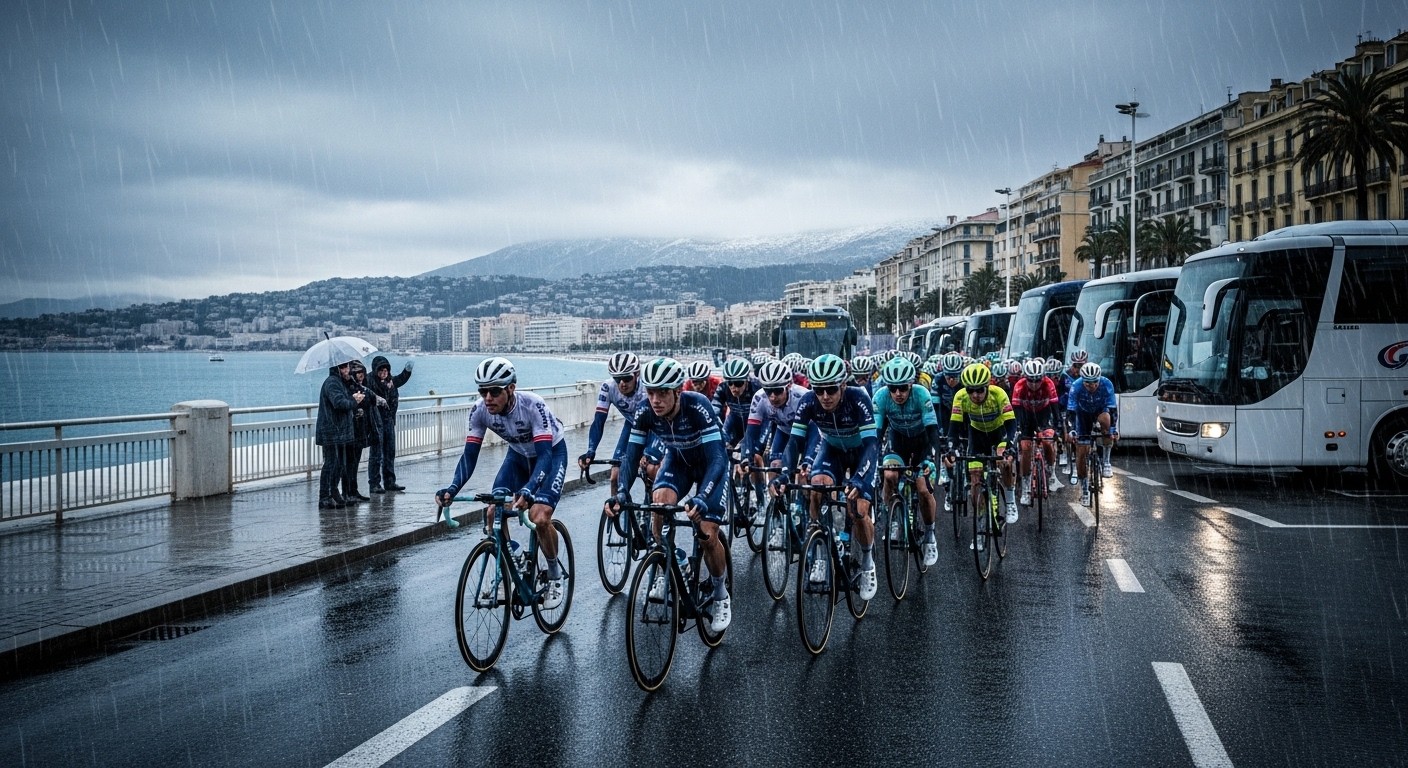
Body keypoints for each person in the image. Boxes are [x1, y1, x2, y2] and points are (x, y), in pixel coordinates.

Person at [608, 358, 732, 633]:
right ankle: (674, 560)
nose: (655, 400)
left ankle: (721, 593)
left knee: (707, 532)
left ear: (677, 391)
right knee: (659, 504)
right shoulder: (645, 411)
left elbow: (717, 460)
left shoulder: (697, 406)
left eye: (662, 393)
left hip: (711, 466)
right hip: (678, 461)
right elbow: (631, 456)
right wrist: (621, 494)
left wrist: (703, 497)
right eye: (651, 392)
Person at [436, 357, 569, 610]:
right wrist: (452, 489)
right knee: (493, 511)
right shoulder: (479, 411)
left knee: (539, 516)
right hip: (517, 456)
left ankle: (554, 575)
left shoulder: (532, 406)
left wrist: (530, 489)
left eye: (494, 391)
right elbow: (469, 456)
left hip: (550, 454)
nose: (488, 398)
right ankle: (513, 559)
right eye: (482, 391)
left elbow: (544, 456)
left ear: (511, 388)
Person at [776, 354, 880, 601]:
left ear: (843, 385)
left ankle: (867, 562)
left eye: (831, 389)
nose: (824, 396)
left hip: (861, 453)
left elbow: (871, 445)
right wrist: (783, 474)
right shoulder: (809, 402)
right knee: (816, 487)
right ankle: (820, 551)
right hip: (832, 449)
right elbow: (795, 441)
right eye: (819, 389)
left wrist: (860, 480)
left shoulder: (858, 397)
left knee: (858, 510)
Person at [871, 357, 943, 567]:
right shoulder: (881, 397)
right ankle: (892, 518)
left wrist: (932, 460)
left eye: (902, 388)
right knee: (890, 475)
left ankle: (930, 535)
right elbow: (877, 434)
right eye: (893, 388)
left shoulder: (922, 394)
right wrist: (873, 462)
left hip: (922, 443)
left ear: (911, 384)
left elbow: (932, 431)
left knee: (922, 489)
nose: (898, 393)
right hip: (898, 442)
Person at [947, 363, 1018, 533]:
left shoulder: (998, 394)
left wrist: (1010, 446)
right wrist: (951, 448)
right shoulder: (960, 397)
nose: (975, 395)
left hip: (999, 433)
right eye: (971, 390)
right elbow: (954, 427)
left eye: (980, 390)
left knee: (1004, 461)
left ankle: (1010, 500)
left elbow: (1011, 424)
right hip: (977, 436)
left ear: (987, 386)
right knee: (975, 479)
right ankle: (980, 523)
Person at [577, 352, 653, 495]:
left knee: (651, 471)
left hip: (653, 429)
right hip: (631, 427)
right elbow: (599, 421)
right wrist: (591, 450)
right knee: (615, 477)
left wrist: (648, 453)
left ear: (637, 374)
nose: (622, 383)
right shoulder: (608, 387)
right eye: (617, 379)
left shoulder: (647, 389)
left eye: (626, 378)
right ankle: (616, 513)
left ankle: (656, 512)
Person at [1011, 358, 1064, 508]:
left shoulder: (1049, 384)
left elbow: (1055, 408)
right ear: (1025, 378)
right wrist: (1019, 429)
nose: (1034, 384)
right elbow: (1016, 412)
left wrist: (1058, 427)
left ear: (1043, 377)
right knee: (1026, 447)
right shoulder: (1019, 386)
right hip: (1026, 417)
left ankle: (1051, 471)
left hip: (1043, 415)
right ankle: (1027, 487)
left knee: (1048, 441)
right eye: (1030, 380)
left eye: (1037, 380)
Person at [1067, 362, 1119, 507]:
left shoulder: (1106, 383)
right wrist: (1072, 430)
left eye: (1095, 382)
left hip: (1100, 411)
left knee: (1107, 424)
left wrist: (1112, 430)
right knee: (1081, 455)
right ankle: (1084, 490)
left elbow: (1113, 409)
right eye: (1088, 383)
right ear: (1082, 380)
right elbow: (1071, 411)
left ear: (1099, 379)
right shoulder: (1076, 386)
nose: (1092, 386)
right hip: (1082, 415)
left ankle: (1106, 461)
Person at [314, 362, 362, 509]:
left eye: (347, 367)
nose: (348, 370)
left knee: (339, 464)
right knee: (331, 464)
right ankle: (325, 496)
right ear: (338, 369)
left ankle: (334, 493)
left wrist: (353, 391)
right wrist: (354, 400)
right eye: (344, 367)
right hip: (331, 431)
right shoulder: (332, 383)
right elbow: (339, 403)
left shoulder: (341, 382)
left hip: (339, 431)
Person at [366, 355, 412, 493]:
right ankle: (374, 483)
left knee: (389, 452)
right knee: (376, 454)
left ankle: (390, 482)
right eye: (381, 370)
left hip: (389, 421)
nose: (384, 373)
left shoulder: (390, 382)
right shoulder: (369, 381)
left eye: (386, 370)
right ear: (375, 370)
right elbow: (360, 387)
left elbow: (401, 379)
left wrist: (408, 370)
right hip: (375, 422)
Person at [341, 360, 381, 502]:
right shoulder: (347, 388)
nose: (361, 375)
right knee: (348, 464)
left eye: (362, 372)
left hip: (360, 430)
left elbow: (370, 399)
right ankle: (347, 493)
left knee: (355, 463)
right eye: (357, 373)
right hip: (350, 431)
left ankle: (353, 491)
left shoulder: (361, 387)